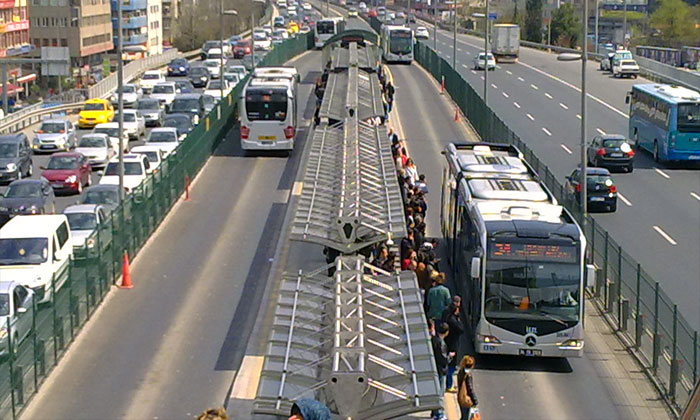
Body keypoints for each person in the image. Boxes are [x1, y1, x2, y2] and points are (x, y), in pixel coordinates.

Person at [442, 295, 465, 392]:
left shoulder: (446, 314)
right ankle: (449, 385)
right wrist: (458, 318)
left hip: (448, 341)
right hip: (453, 344)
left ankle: (449, 383)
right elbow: (461, 329)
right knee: (451, 365)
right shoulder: (453, 320)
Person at [431, 322, 453, 420]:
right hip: (441, 370)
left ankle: (435, 411)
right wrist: (450, 357)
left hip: (435, 368)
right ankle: (439, 414)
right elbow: (444, 359)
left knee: (436, 391)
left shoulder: (434, 340)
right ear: (447, 332)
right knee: (440, 392)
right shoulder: (441, 344)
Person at [457, 355, 479, 420]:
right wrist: (475, 400)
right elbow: (470, 389)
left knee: (463, 416)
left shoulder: (460, 372)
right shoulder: (468, 375)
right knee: (465, 417)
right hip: (466, 399)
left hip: (460, 397)